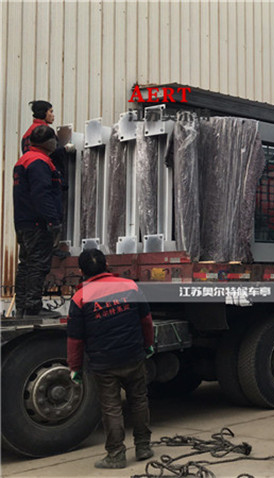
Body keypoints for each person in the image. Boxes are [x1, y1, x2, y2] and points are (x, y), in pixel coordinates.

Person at [66, 249, 155, 469]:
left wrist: (75, 368)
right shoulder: (130, 286)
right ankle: (143, 446)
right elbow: (146, 320)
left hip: (104, 363)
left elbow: (75, 339)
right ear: (107, 266)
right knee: (139, 400)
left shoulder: (80, 298)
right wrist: (148, 344)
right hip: (133, 356)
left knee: (111, 407)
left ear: (81, 272)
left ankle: (116, 455)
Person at [13, 125, 63, 318]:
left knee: (25, 264)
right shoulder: (40, 162)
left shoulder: (24, 160)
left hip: (23, 222)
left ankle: (22, 307)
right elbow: (42, 194)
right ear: (48, 142)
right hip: (37, 223)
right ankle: (33, 308)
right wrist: (53, 221)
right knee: (37, 264)